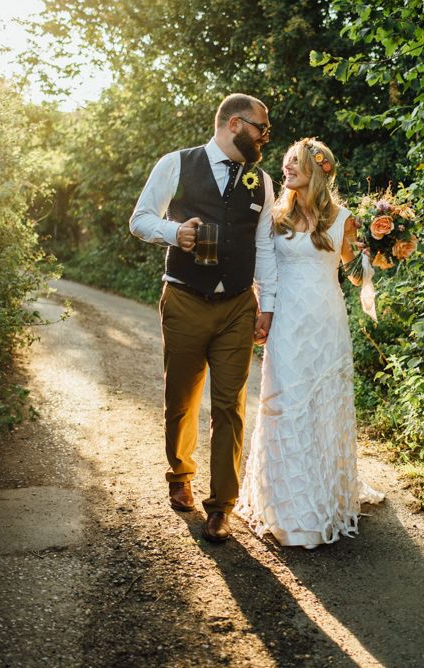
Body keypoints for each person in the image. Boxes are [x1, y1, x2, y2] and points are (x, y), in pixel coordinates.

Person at [129, 94, 277, 543]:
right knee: (182, 397)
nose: (264, 138)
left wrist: (266, 304)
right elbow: (140, 219)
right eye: (260, 130)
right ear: (235, 125)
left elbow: (265, 246)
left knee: (230, 406)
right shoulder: (176, 163)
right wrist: (176, 233)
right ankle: (180, 474)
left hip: (237, 305)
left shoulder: (263, 182)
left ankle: (221, 505)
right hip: (185, 298)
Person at [235, 138, 384, 549]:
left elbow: (355, 275)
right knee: (283, 403)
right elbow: (261, 268)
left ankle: (320, 504)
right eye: (286, 162)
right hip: (285, 323)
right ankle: (285, 508)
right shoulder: (274, 216)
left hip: (325, 323)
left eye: (295, 163)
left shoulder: (343, 219)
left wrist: (381, 251)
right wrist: (260, 310)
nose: (287, 168)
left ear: (318, 170)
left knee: (320, 406)